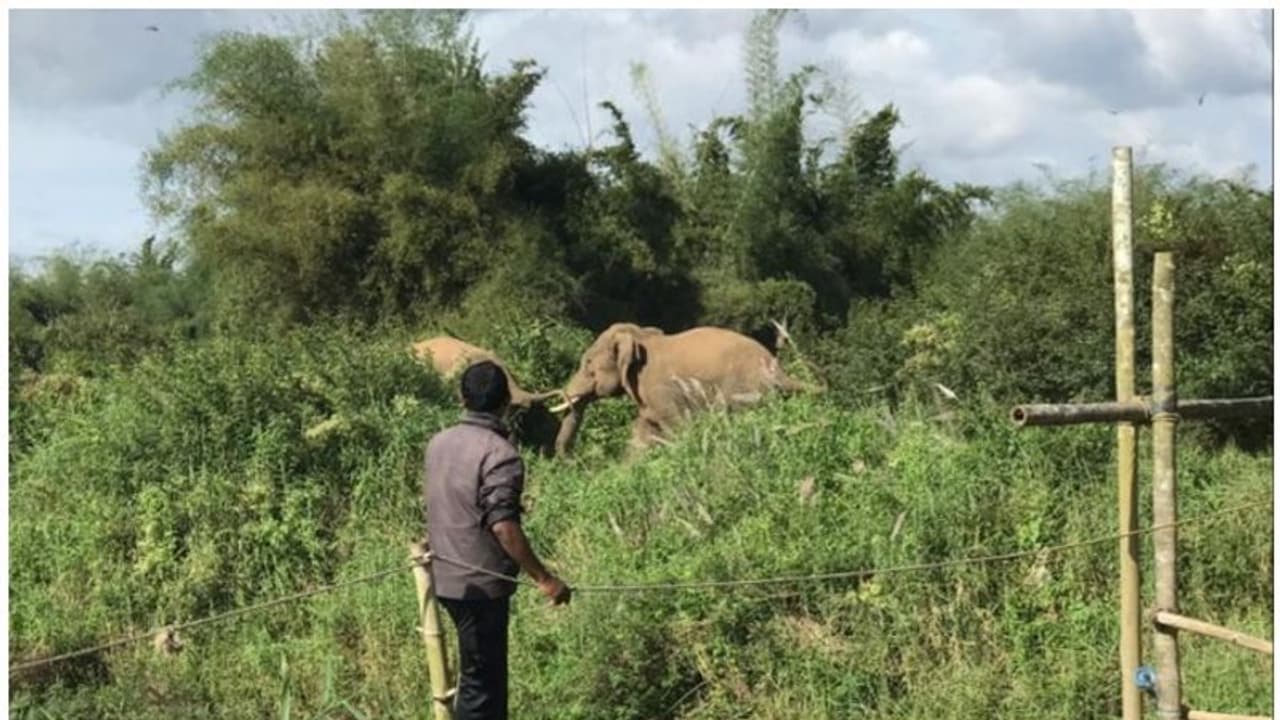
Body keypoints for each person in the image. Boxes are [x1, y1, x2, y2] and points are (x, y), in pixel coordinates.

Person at [423, 360, 572, 720]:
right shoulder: (500, 453)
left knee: (479, 680)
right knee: (483, 688)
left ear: (461, 398)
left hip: (444, 578)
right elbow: (502, 525)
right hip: (480, 586)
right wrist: (546, 579)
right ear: (506, 401)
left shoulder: (438, 443)